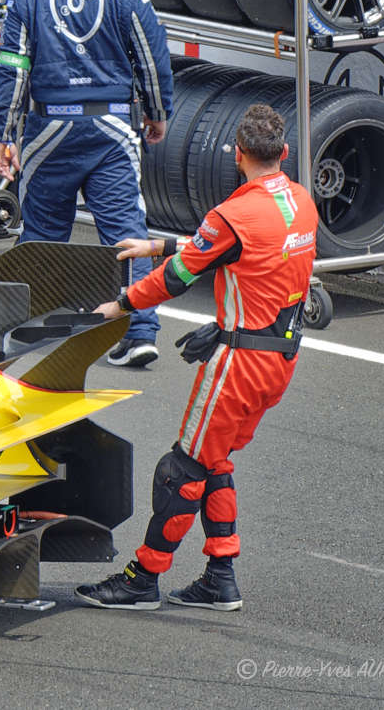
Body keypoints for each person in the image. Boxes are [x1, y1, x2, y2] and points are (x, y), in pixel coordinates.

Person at [76, 103, 316, 613]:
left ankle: (143, 579)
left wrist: (120, 305)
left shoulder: (233, 213)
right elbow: (234, 247)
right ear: (284, 152)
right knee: (214, 460)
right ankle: (219, 577)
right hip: (280, 360)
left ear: (237, 153)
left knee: (180, 468)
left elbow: (180, 276)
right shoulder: (300, 202)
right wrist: (160, 245)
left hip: (238, 365)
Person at [0, 0, 171, 368]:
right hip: (111, 129)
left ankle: (29, 325)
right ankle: (139, 332)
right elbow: (152, 59)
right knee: (126, 234)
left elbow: (13, 68)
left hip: (49, 129)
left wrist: (2, 134)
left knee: (42, 234)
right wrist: (158, 112)